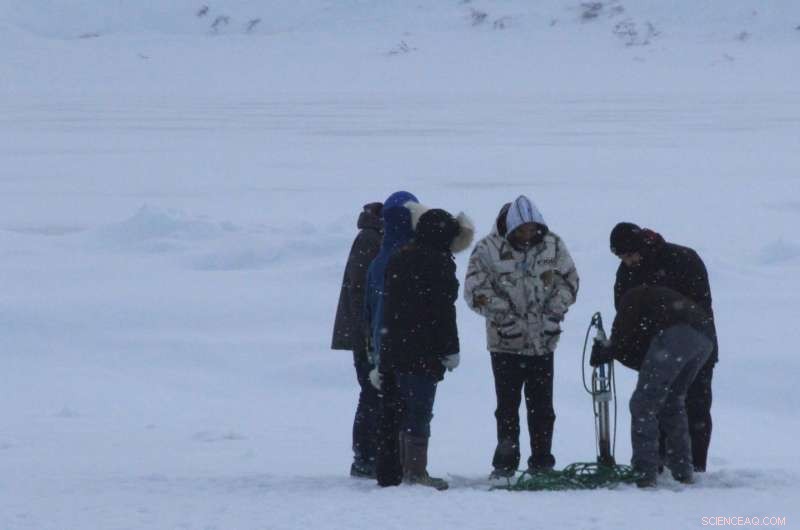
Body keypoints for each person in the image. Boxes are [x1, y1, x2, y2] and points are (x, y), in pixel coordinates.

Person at [464, 195, 579, 478]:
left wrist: (554, 312)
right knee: (507, 407)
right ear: (511, 228)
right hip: (505, 344)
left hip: (544, 343)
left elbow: (569, 281)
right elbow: (475, 292)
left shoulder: (553, 245)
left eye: (533, 229)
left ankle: (542, 462)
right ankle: (505, 463)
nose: (529, 235)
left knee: (543, 408)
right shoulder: (487, 250)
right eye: (522, 230)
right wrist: (506, 318)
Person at [609, 222, 718, 472]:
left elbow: (701, 305)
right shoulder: (626, 272)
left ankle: (674, 466)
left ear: (640, 245)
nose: (627, 261)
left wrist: (614, 346)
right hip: (664, 347)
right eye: (620, 257)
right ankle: (671, 466)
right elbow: (625, 311)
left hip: (685, 343)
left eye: (628, 254)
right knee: (668, 402)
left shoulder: (683, 258)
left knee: (687, 406)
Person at [380, 208, 474, 490]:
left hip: (396, 347)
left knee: (397, 409)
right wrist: (451, 349)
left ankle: (393, 470)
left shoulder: (400, 257)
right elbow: (443, 313)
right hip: (423, 350)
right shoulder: (439, 263)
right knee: (419, 410)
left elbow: (390, 307)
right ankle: (415, 471)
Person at [590, 285, 714, 487]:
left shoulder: (631, 299)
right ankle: (682, 470)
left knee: (643, 403)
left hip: (679, 334)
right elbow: (643, 358)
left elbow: (621, 339)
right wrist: (613, 351)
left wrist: (607, 350)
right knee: (673, 401)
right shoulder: (656, 305)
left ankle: (644, 472)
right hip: (705, 338)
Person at [364, 191, 419, 487]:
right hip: (402, 344)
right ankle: (401, 466)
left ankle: (385, 466)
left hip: (384, 343)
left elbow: (369, 310)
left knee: (387, 408)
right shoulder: (404, 259)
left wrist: (373, 347)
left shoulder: (379, 260)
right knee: (405, 408)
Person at [331, 202, 383, 478]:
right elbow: (359, 292)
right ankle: (365, 456)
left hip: (368, 333)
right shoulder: (370, 240)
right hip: (366, 336)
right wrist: (367, 335)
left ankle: (369, 455)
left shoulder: (373, 237)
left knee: (373, 394)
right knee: (371, 394)